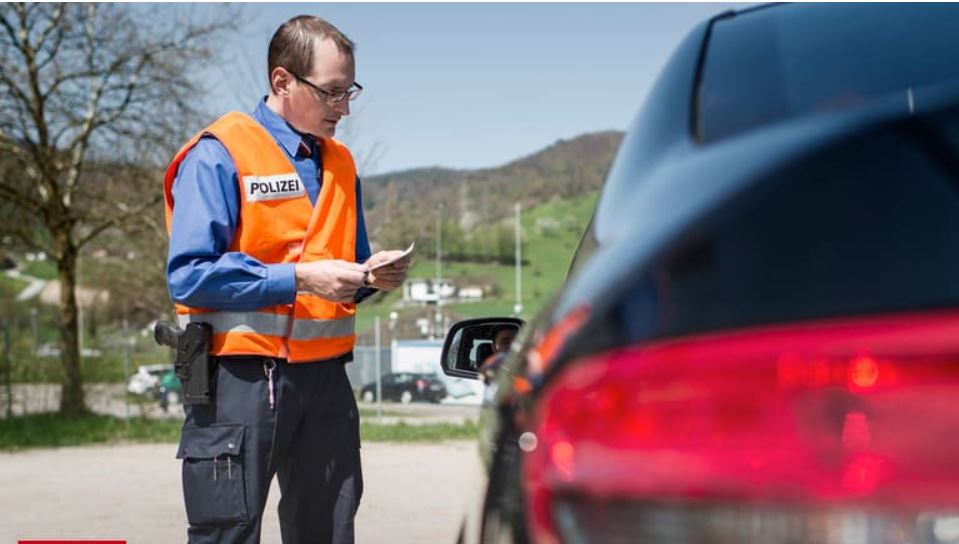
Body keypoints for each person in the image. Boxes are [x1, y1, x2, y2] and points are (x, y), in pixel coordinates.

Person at [163, 15, 410, 544]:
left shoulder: (341, 164)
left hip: (326, 382)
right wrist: (299, 279)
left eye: (351, 92)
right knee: (226, 532)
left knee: (327, 528)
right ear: (283, 82)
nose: (344, 107)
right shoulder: (218, 154)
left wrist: (371, 276)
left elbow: (342, 268)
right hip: (240, 379)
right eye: (332, 93)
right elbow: (189, 275)